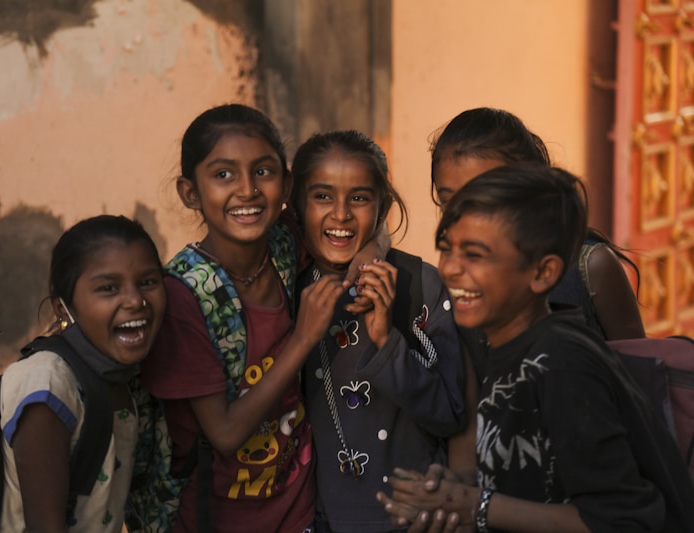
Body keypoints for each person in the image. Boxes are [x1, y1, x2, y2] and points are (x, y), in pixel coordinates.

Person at [377, 165, 694, 532]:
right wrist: (452, 494)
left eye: (476, 255)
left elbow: (622, 520)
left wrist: (476, 506)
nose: (451, 270)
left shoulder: (561, 363)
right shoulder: (507, 349)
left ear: (543, 273)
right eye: (447, 250)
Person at [139, 105, 385, 533]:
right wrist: (302, 338)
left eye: (263, 171)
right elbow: (226, 433)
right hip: (218, 517)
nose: (247, 190)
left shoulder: (285, 241)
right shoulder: (184, 296)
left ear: (287, 184)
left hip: (298, 509)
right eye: (223, 175)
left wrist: (365, 260)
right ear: (189, 192)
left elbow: (372, 225)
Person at [290, 130, 467, 533]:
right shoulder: (286, 289)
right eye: (322, 196)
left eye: (359, 197)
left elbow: (450, 415)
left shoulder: (420, 286)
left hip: (413, 521)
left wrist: (387, 339)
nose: (340, 214)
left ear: (383, 205)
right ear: (297, 205)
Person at [0, 214, 165, 532]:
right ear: (63, 308)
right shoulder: (48, 384)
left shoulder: (119, 375)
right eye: (108, 288)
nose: (135, 300)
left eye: (147, 282)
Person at [429, 107, 645, 342]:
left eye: (483, 200)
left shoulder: (590, 267)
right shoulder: (456, 281)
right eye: (450, 203)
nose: (464, 217)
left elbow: (637, 371)